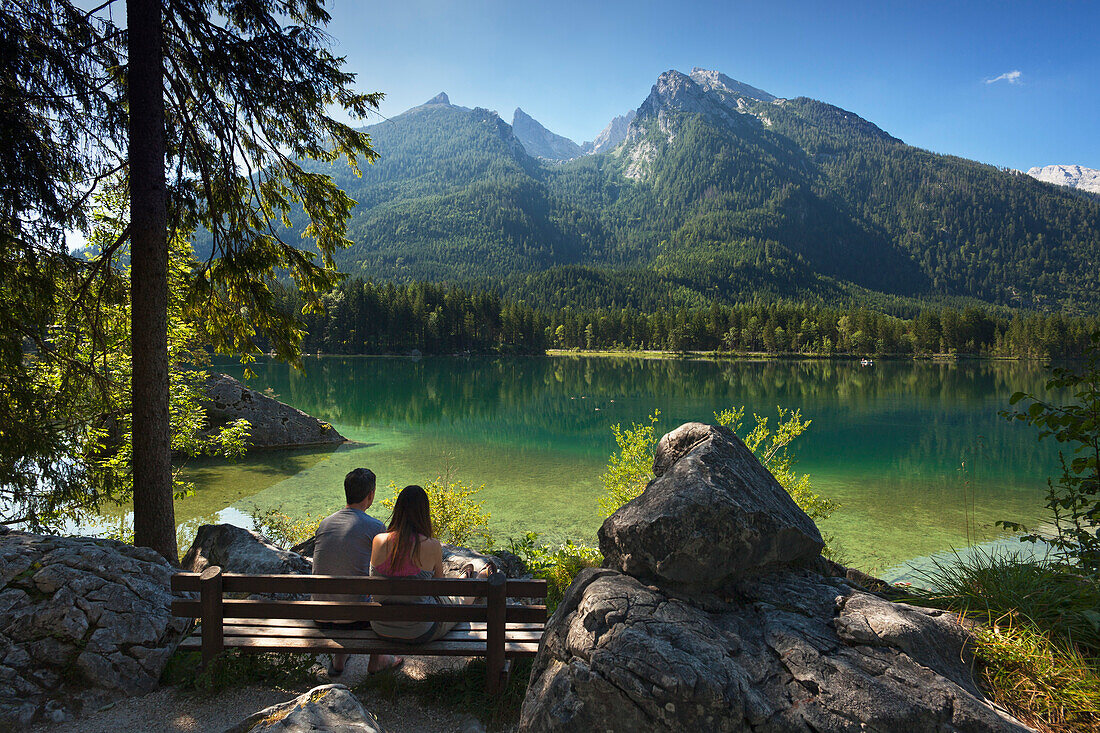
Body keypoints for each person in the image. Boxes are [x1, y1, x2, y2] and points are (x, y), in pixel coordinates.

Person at [369, 484, 492, 643]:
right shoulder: (431, 545)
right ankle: (477, 578)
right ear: (423, 513)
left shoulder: (378, 541)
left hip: (380, 627)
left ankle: (465, 576)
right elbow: (440, 588)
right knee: (458, 600)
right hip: (419, 630)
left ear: (398, 510)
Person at [311, 467, 402, 676]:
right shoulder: (375, 527)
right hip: (355, 619)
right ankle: (379, 660)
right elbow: (386, 573)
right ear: (370, 495)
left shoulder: (325, 524)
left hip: (319, 615)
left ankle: (339, 659)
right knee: (382, 594)